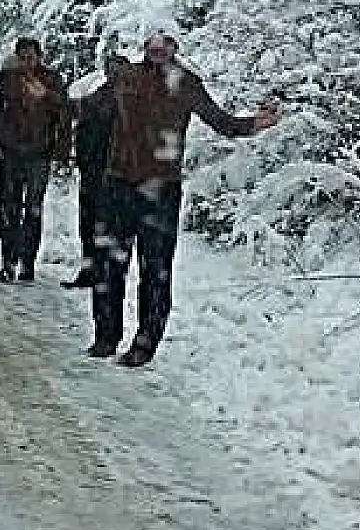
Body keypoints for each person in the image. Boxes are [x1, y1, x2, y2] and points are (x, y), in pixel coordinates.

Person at [91, 28, 280, 366]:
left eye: (165, 45)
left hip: (161, 188)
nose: (158, 50)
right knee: (109, 264)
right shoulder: (126, 78)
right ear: (145, 47)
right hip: (119, 184)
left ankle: (145, 345)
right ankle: (106, 336)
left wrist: (257, 123)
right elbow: (89, 110)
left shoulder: (187, 84)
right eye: (152, 44)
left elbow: (222, 123)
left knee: (155, 269)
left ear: (175, 49)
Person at [0, 37, 71, 284]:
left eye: (31, 56)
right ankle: (8, 262)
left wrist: (62, 153)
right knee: (9, 208)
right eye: (22, 56)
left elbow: (63, 114)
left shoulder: (51, 80)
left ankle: (27, 264)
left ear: (39, 56)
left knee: (33, 211)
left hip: (38, 153)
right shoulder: (8, 78)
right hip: (10, 152)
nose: (27, 61)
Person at [63, 73, 116, 289]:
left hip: (110, 177)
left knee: (99, 228)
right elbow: (75, 112)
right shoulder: (99, 97)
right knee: (90, 227)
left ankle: (99, 273)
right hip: (94, 173)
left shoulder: (131, 105)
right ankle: (92, 272)